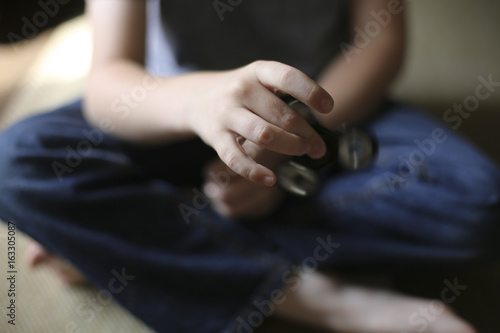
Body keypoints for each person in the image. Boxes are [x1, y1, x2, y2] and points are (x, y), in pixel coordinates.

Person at [0, 0, 499, 332]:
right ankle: (323, 299)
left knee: (475, 201)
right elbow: (110, 84)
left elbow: (379, 42)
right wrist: (198, 103)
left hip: (328, 110)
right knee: (18, 161)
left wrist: (285, 150)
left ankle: (132, 237)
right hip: (170, 111)